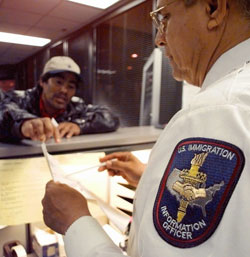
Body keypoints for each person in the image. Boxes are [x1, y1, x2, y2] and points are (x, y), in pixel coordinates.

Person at [42, 0, 250, 256]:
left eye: (164, 18)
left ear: (213, 8)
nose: (159, 40)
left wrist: (75, 222)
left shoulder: (218, 114)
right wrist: (153, 180)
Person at [0, 56, 119, 142]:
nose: (64, 90)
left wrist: (79, 125)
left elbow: (110, 116)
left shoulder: (76, 106)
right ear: (42, 81)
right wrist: (24, 124)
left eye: (71, 86)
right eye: (58, 82)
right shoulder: (19, 98)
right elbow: (5, 111)